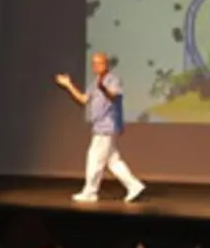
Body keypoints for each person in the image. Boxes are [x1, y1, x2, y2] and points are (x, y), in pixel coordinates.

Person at [54, 52, 146, 203]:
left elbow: (113, 96)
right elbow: (84, 99)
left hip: (107, 126)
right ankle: (134, 185)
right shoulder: (95, 82)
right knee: (113, 161)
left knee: (94, 158)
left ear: (106, 64)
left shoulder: (113, 79)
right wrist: (68, 84)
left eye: (99, 63)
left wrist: (103, 88)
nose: (96, 66)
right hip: (100, 126)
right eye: (94, 63)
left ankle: (90, 192)